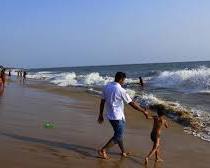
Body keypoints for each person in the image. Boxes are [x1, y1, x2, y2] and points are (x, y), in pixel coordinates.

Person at [97, 72, 149, 159]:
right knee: (118, 136)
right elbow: (131, 103)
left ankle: (123, 152)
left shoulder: (106, 87)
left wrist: (100, 114)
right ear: (121, 79)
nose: (124, 82)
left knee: (118, 135)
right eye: (124, 80)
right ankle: (103, 150)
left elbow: (102, 101)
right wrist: (143, 111)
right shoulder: (121, 90)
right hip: (118, 117)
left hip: (110, 116)